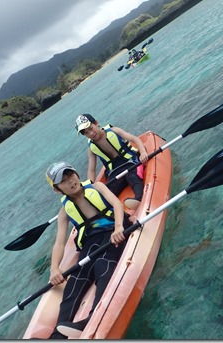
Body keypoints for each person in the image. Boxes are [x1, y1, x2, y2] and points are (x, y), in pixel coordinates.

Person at [45, 161, 131, 339]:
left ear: (76, 174)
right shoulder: (64, 212)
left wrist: (118, 227)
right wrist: (54, 268)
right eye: (63, 181)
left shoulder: (97, 186)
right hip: (91, 242)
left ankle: (92, 318)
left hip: (112, 232)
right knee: (76, 278)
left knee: (103, 266)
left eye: (71, 175)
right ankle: (57, 334)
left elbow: (116, 204)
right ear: (57, 189)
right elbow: (59, 243)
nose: (70, 181)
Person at [75, 113, 148, 210]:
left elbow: (134, 139)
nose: (91, 133)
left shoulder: (113, 131)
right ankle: (112, 213)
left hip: (131, 162)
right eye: (86, 133)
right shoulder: (91, 148)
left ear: (96, 123)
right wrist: (90, 185)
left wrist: (143, 152)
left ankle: (138, 199)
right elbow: (91, 169)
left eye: (91, 128)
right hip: (115, 171)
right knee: (108, 192)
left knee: (133, 177)